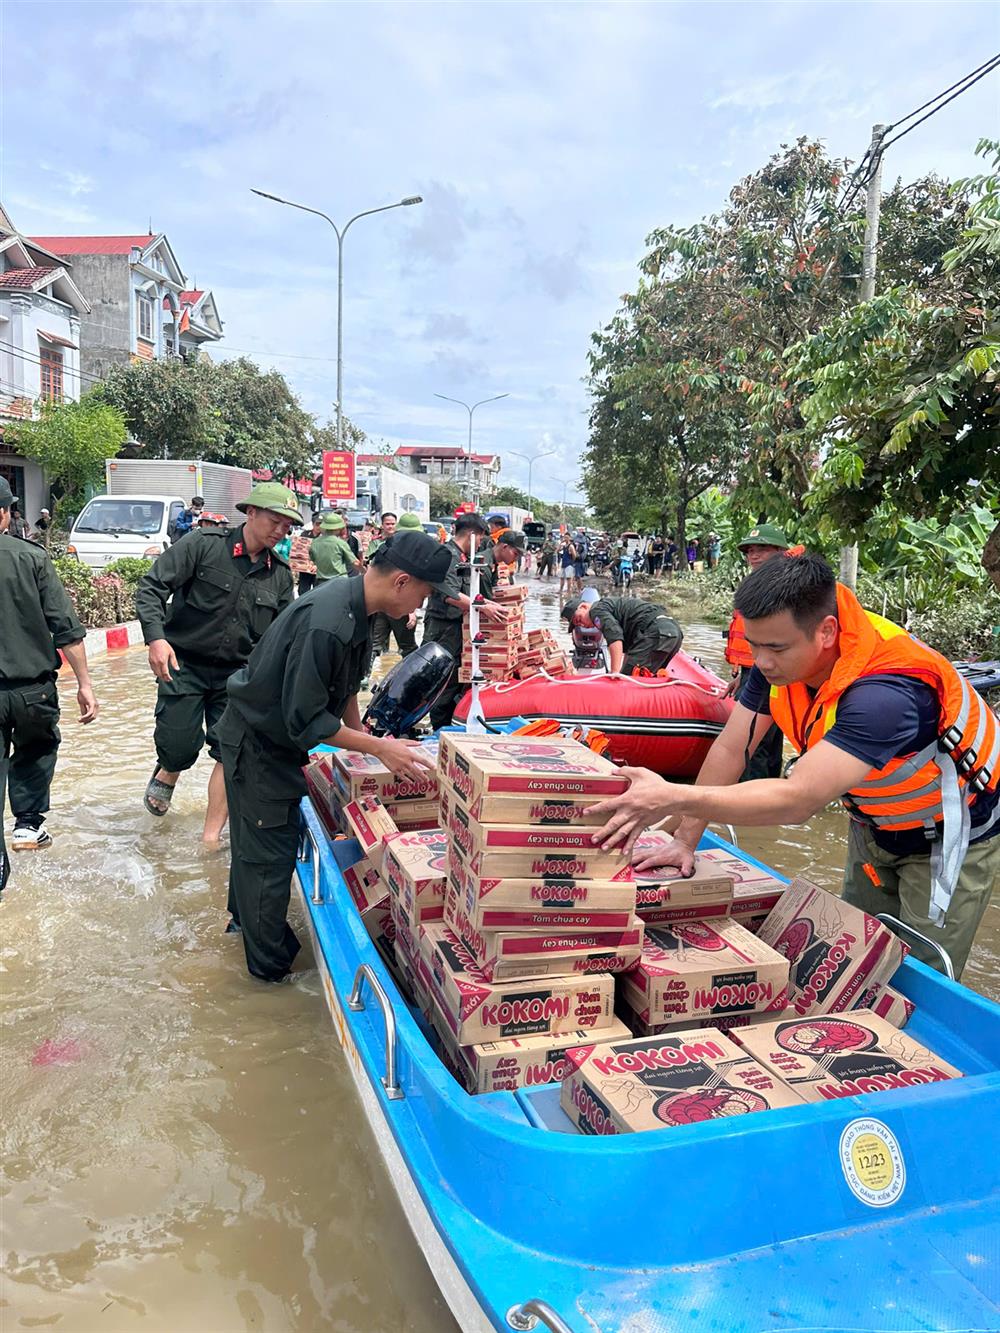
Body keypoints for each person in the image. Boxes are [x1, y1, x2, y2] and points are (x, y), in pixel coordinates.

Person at [591, 551, 1000, 981]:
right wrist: (686, 840)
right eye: (754, 645)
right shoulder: (778, 666)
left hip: (949, 835)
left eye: (775, 648)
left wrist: (671, 795)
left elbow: (798, 800)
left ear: (826, 632)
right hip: (872, 823)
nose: (762, 662)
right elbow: (732, 748)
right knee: (858, 949)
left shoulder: (887, 693)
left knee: (919, 973)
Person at [219, 530, 453, 982]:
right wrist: (379, 746)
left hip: (274, 738)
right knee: (268, 857)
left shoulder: (357, 609)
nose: (422, 606)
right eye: (424, 594)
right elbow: (303, 721)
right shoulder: (327, 621)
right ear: (402, 582)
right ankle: (269, 977)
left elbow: (344, 688)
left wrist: (363, 740)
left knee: (255, 850)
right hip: (261, 745)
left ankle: (241, 924)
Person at [135, 481, 297, 844]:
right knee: (179, 745)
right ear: (251, 512)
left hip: (238, 677)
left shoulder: (281, 576)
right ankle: (169, 769)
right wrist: (156, 639)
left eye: (288, 525)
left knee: (231, 754)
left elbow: (282, 638)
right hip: (184, 664)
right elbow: (151, 589)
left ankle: (210, 839)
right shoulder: (202, 546)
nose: (281, 530)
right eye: (275, 520)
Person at [0, 477, 98, 881]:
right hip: (31, 691)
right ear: (5, 513)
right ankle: (27, 824)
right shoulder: (32, 558)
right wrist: (85, 684)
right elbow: (65, 628)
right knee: (37, 748)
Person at [422, 513, 506, 729]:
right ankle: (439, 731)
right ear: (471, 534)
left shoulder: (462, 558)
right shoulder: (448, 555)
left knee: (456, 683)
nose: (480, 545)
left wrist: (490, 604)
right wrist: (483, 606)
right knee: (442, 680)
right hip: (442, 628)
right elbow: (449, 594)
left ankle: (452, 725)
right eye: (479, 540)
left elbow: (469, 593)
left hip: (457, 627)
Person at [723, 523, 791, 781]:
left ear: (780, 551)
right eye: (750, 550)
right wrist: (743, 673)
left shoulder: (782, 585)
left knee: (753, 741)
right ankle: (769, 793)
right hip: (755, 671)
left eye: (762, 549)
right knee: (766, 739)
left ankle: (751, 803)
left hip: (770, 672)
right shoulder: (760, 583)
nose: (754, 555)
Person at [561, 594, 683, 675]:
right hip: (673, 632)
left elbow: (615, 639)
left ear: (583, 607)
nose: (581, 625)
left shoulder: (596, 610)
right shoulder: (610, 606)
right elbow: (630, 653)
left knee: (626, 684)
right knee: (644, 678)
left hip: (656, 632)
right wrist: (621, 671)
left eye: (579, 619)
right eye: (578, 625)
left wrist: (614, 674)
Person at [369, 511, 422, 664]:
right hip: (400, 605)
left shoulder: (382, 547)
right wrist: (412, 611)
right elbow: (409, 583)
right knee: (408, 647)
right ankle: (412, 681)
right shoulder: (411, 553)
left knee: (374, 644)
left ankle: (363, 678)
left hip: (380, 603)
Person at [310, 512, 362, 582]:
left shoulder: (315, 542)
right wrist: (364, 572)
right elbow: (355, 562)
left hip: (324, 581)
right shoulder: (338, 543)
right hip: (336, 580)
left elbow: (313, 560)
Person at [290, 513, 321, 595]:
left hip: (318, 570)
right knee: (303, 591)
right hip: (305, 569)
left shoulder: (324, 537)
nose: (319, 526)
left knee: (318, 592)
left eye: (321, 524)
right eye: (317, 524)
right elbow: (298, 550)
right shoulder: (305, 534)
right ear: (313, 524)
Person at [557, 533, 577, 598]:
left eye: (567, 537)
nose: (566, 539)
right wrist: (560, 544)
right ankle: (561, 590)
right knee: (562, 578)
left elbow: (574, 555)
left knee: (568, 578)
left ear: (569, 538)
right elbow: (557, 550)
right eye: (565, 537)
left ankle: (568, 591)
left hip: (569, 564)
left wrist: (572, 561)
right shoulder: (564, 545)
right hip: (564, 563)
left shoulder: (571, 546)